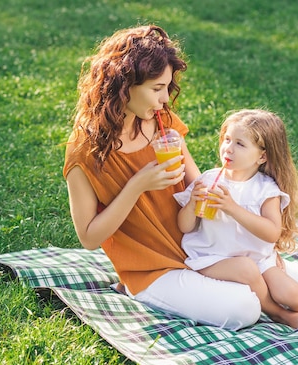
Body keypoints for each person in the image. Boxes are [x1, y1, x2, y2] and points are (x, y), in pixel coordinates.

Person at [63, 25, 267, 330]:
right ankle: (134, 289)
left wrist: (216, 193)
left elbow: (196, 181)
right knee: (245, 308)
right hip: (151, 269)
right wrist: (137, 186)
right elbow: (89, 237)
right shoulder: (85, 152)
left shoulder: (161, 121)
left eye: (167, 87)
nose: (163, 99)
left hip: (195, 247)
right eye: (156, 89)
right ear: (124, 85)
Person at [174, 109, 298, 328]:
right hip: (211, 257)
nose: (228, 148)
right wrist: (192, 203)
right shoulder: (209, 180)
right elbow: (185, 227)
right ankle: (278, 314)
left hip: (258, 258)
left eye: (240, 144)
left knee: (286, 289)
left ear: (262, 156)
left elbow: (271, 232)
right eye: (227, 139)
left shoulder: (266, 190)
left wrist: (232, 208)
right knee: (247, 269)